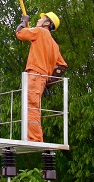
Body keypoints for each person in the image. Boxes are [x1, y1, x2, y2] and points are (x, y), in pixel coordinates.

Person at [15, 12, 67, 142]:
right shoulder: (54, 44)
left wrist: (24, 21)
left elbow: (20, 33)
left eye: (41, 18)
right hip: (42, 77)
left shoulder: (39, 31)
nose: (38, 20)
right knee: (33, 106)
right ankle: (35, 137)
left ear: (48, 23)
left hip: (34, 74)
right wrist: (48, 82)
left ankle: (35, 138)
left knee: (31, 107)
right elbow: (62, 66)